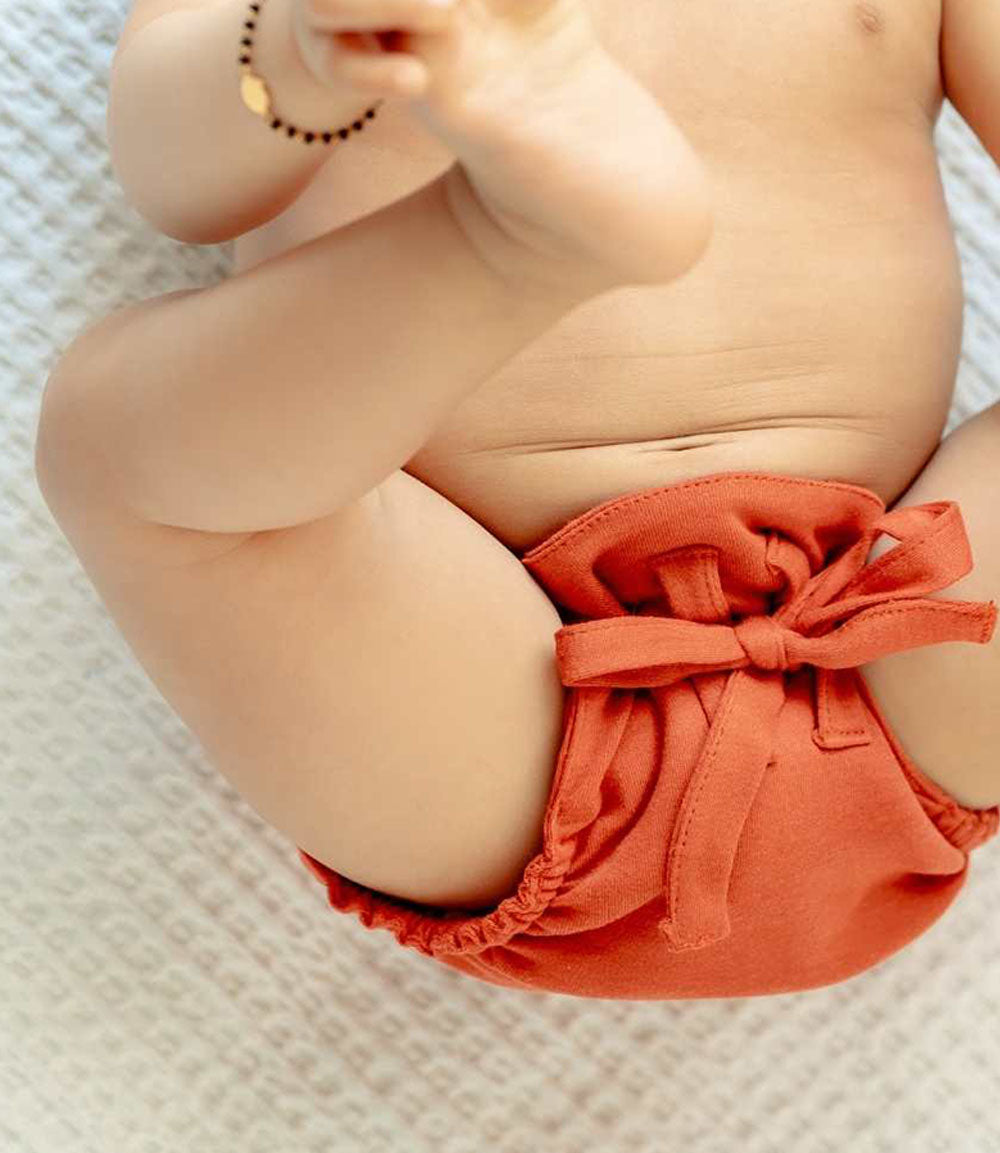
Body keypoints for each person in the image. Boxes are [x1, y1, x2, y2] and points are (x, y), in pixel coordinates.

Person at [34, 0, 1000, 999]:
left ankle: (523, 232)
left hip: (912, 618)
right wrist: (298, 49)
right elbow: (174, 179)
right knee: (126, 442)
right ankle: (512, 237)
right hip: (484, 684)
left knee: (122, 448)